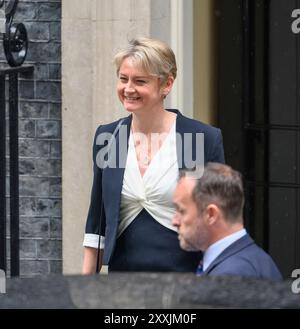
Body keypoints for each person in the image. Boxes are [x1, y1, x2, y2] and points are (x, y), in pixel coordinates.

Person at [82, 37, 225, 274]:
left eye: (140, 81)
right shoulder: (109, 137)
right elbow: (96, 224)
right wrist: (84, 292)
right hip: (123, 288)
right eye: (123, 79)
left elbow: (218, 223)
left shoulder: (201, 138)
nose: (128, 89)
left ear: (166, 85)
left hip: (183, 286)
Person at [172, 163, 282, 280]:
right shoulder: (255, 260)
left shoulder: (231, 275)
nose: (174, 221)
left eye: (181, 211)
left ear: (211, 215)